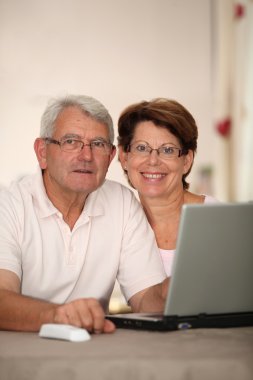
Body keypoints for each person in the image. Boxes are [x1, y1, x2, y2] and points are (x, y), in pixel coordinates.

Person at [0, 95, 168, 334]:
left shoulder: (122, 202)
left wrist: (170, 292)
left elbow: (146, 300)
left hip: (92, 352)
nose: (86, 156)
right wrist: (57, 316)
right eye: (71, 141)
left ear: (110, 157)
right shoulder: (8, 204)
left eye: (98, 144)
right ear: (42, 152)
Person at [118, 98, 218, 277]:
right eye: (141, 148)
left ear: (186, 161)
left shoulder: (218, 218)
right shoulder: (119, 225)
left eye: (168, 150)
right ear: (125, 158)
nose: (153, 160)